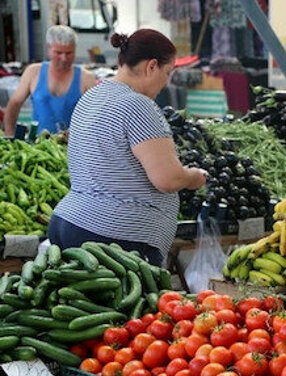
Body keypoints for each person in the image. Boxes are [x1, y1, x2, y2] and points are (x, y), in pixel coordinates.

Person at [49, 30, 206, 266]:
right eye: (167, 72)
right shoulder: (138, 106)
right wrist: (193, 177)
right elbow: (167, 179)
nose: (166, 82)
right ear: (151, 66)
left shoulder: (92, 96)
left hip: (71, 222)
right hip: (115, 238)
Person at [4, 25, 97, 136]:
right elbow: (14, 104)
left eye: (69, 53)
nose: (64, 58)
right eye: (58, 53)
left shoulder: (86, 78)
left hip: (73, 147)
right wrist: (9, 133)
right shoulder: (33, 72)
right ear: (49, 48)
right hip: (38, 147)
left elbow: (97, 116)